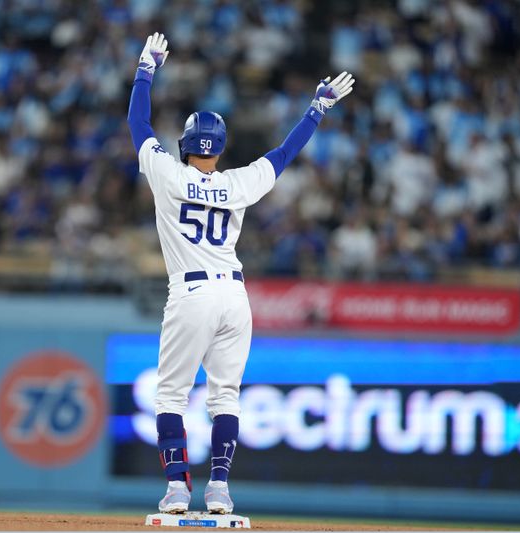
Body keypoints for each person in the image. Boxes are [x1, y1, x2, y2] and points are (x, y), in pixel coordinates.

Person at [127, 32, 354, 514]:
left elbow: (137, 121)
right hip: (235, 296)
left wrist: (146, 68)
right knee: (224, 396)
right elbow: (284, 155)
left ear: (186, 143)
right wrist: (316, 109)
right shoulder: (237, 183)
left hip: (190, 294)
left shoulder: (168, 173)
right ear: (221, 146)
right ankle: (220, 489)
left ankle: (176, 488)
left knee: (170, 394)